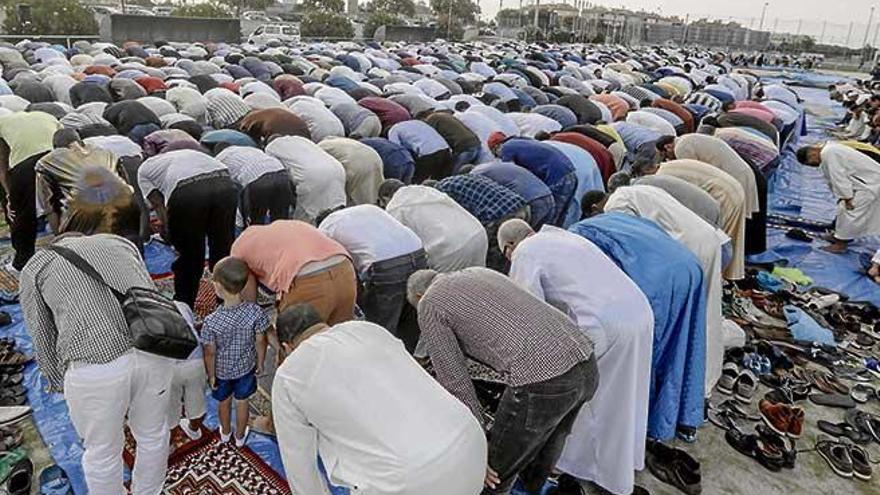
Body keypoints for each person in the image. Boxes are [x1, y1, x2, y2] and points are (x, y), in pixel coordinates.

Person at [407, 267, 598, 495]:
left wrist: (476, 442)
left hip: (544, 379)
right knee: (547, 446)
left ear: (418, 296)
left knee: (494, 471)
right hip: (585, 361)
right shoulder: (478, 272)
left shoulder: (429, 303)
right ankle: (531, 489)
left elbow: (454, 378)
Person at [499, 219, 653, 495]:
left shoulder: (525, 252)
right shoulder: (564, 237)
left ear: (510, 246)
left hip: (605, 326)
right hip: (639, 311)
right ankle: (616, 469)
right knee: (623, 397)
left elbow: (525, 310)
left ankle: (574, 465)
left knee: (579, 395)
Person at [272, 304, 487, 495]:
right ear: (324, 324)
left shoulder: (289, 375)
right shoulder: (368, 329)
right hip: (471, 446)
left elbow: (299, 465)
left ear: (286, 347)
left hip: (407, 481)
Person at [21, 234, 172, 495]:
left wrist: (58, 382)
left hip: (94, 368)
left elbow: (41, 334)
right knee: (153, 435)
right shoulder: (119, 243)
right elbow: (150, 297)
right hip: (152, 350)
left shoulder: (37, 265)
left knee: (102, 451)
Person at [569, 213, 707, 444]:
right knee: (681, 344)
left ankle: (646, 420)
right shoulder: (608, 219)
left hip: (658, 278)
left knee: (645, 351)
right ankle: (678, 416)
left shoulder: (578, 238)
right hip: (688, 264)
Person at [583, 185, 726, 395]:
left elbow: (632, 248)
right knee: (706, 313)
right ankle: (704, 378)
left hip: (688, 247)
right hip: (707, 238)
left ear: (596, 208)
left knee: (683, 321)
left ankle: (690, 381)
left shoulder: (617, 206)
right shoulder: (633, 190)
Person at [318, 204, 426, 350]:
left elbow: (337, 268)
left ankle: (382, 359)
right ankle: (406, 358)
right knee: (410, 325)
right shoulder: (367, 209)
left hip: (385, 263)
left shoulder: (326, 227)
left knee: (380, 330)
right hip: (417, 252)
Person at [138, 149, 237, 307]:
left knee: (190, 256)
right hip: (225, 184)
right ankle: (227, 303)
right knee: (222, 248)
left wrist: (167, 229)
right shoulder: (183, 154)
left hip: (189, 192)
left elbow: (158, 204)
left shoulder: (143, 170)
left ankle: (185, 307)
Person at [201, 257, 269, 447]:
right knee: (242, 401)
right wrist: (260, 362)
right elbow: (261, 340)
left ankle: (225, 432)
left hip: (221, 372)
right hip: (246, 368)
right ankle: (239, 436)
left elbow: (210, 352)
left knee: (224, 402)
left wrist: (211, 375)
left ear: (218, 287)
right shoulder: (255, 312)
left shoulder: (211, 321)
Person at [231, 220, 357, 320]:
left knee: (300, 339)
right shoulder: (285, 227)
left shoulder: (238, 251)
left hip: (306, 277)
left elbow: (249, 297)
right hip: (344, 268)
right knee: (340, 337)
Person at [656, 159, 747, 280]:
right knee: (727, 238)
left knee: (717, 242)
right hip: (733, 189)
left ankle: (718, 277)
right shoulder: (667, 169)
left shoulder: (658, 180)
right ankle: (724, 277)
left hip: (721, 195)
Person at [0, 110, 62, 273]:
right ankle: (68, 248)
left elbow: (2, 166)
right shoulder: (48, 115)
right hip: (56, 160)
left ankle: (21, 262)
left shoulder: (2, 125)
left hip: (26, 167)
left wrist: (9, 196)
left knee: (20, 214)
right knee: (58, 205)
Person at [382, 183, 488, 272]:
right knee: (479, 282)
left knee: (449, 288)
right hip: (476, 233)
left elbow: (397, 246)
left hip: (452, 249)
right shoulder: (425, 190)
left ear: (386, 198)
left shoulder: (394, 207)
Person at [796, 142, 880, 252]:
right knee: (845, 210)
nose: (815, 166)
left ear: (812, 154)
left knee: (849, 212)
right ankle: (839, 236)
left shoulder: (829, 154)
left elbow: (838, 178)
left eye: (812, 164)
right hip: (867, 182)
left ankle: (840, 244)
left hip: (869, 185)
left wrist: (846, 197)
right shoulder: (830, 149)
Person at [656, 134, 760, 221]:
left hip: (735, 177)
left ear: (668, 147)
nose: (667, 159)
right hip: (741, 172)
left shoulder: (681, 148)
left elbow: (692, 175)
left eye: (665, 155)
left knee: (737, 221)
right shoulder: (687, 138)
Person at [435, 174, 528, 271]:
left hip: (499, 216)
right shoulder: (462, 178)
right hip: (521, 206)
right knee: (522, 253)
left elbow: (460, 219)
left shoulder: (441, 193)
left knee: (490, 258)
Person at [35, 129, 120, 234]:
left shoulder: (48, 161)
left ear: (55, 148)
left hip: (84, 214)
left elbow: (48, 205)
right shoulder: (104, 152)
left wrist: (59, 236)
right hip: (119, 206)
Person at [489, 133, 577, 226]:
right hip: (570, 171)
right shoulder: (523, 140)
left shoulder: (506, 148)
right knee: (561, 217)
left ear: (497, 147)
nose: (499, 157)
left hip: (557, 176)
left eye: (496, 154)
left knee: (550, 219)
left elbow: (510, 171)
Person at [265, 136, 346, 224]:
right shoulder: (299, 139)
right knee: (335, 212)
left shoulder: (270, 149)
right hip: (336, 169)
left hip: (311, 176)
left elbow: (278, 177)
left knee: (305, 222)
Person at [215, 145, 294, 226]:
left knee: (256, 221)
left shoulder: (219, 159)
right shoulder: (248, 149)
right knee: (280, 220)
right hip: (281, 173)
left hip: (257, 177)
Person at [472, 161, 556, 229]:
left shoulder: (475, 175)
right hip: (547, 195)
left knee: (521, 237)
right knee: (536, 237)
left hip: (531, 200)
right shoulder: (492, 166)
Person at [168, 302, 207, 441]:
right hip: (195, 361)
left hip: (169, 367)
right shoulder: (182, 305)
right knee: (197, 404)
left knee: (170, 409)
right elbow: (193, 327)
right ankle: (193, 430)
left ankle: (170, 442)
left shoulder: (143, 314)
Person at [318, 137, 385, 206]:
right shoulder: (330, 140)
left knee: (358, 200)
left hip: (355, 164)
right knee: (373, 191)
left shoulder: (319, 150)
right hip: (373, 157)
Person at [387, 119, 453, 183]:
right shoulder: (416, 122)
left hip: (428, 153)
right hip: (446, 149)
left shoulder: (393, 130)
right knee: (441, 182)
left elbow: (397, 150)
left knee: (417, 183)